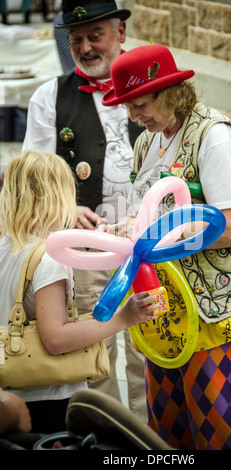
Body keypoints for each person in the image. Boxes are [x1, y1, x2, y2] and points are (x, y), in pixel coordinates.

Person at [100, 44, 231, 450]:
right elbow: (147, 210)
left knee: (219, 428)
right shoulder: (148, 140)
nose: (133, 116)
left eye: (139, 103)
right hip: (166, 308)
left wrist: (161, 235)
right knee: (166, 431)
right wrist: (124, 228)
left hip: (218, 309)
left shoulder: (215, 138)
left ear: (170, 92)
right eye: (126, 106)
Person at [22, 0, 147, 421]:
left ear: (121, 35)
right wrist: (67, 206)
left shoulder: (152, 84)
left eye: (96, 36)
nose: (87, 48)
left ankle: (153, 441)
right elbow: (34, 177)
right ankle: (112, 440)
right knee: (97, 359)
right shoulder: (49, 96)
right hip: (89, 253)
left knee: (152, 355)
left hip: (150, 245)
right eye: (77, 40)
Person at [0, 150, 161, 434]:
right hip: (47, 396)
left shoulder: (5, 248)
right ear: (57, 198)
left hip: (11, 389)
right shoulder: (48, 259)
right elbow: (57, 339)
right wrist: (125, 317)